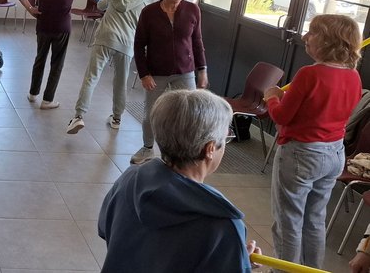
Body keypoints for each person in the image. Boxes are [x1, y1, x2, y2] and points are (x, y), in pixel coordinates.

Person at [98, 89, 260, 273]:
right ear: (210, 149)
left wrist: (236, 256)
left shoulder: (129, 180)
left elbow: (107, 230)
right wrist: (239, 260)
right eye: (225, 139)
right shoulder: (224, 226)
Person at [263, 14, 362, 269]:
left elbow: (281, 116)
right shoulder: (353, 76)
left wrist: (272, 96)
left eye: (313, 33)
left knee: (288, 222)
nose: (305, 37)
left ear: (330, 41)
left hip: (302, 155)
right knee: (315, 220)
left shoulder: (309, 74)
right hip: (334, 154)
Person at [131, 0, 207, 165]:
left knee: (188, 113)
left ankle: (182, 153)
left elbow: (197, 42)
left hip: (185, 71)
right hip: (156, 72)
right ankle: (148, 148)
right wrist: (144, 74)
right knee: (151, 114)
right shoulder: (149, 12)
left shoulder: (192, 10)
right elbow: (138, 45)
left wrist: (202, 70)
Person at [67, 0, 149, 133]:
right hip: (126, 44)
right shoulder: (145, 4)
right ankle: (117, 118)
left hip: (105, 39)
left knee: (91, 77)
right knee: (121, 82)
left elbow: (100, 6)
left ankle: (78, 116)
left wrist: (105, 2)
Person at [14, 0, 79, 109]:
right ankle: (47, 100)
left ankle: (33, 94)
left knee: (40, 59)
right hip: (62, 29)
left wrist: (30, 9)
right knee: (57, 64)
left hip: (43, 27)